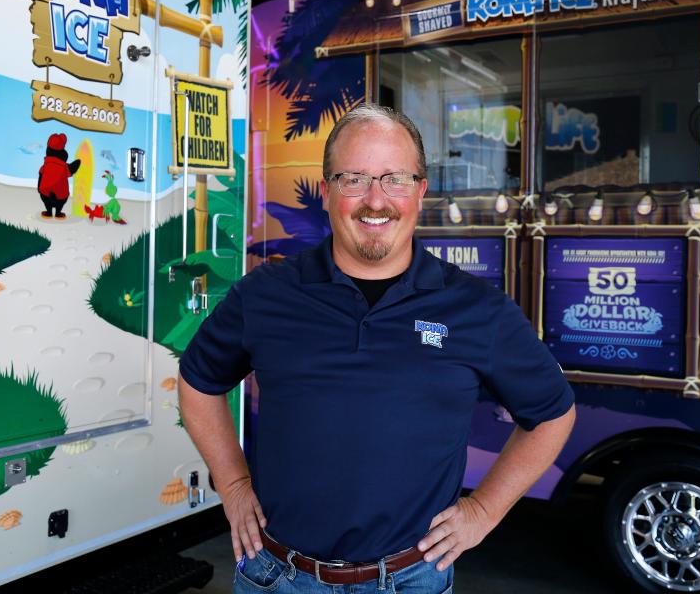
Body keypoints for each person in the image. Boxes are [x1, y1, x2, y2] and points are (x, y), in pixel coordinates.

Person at [178, 103, 576, 593]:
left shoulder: (478, 310)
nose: (376, 200)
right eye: (354, 179)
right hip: (275, 576)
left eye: (395, 179)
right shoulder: (265, 294)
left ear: (420, 191)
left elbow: (553, 414)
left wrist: (483, 510)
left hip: (410, 580)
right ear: (326, 192)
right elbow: (198, 382)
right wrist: (234, 485)